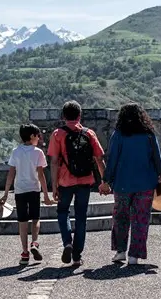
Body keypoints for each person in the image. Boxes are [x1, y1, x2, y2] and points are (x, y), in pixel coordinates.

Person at [99, 103, 161, 265]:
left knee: (121, 217)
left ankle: (120, 251)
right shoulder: (149, 135)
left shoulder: (119, 134)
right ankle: (135, 255)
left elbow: (112, 159)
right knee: (141, 219)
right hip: (146, 183)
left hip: (123, 184)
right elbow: (157, 157)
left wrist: (106, 180)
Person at [47, 100, 106, 266]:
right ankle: (77, 256)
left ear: (64, 116)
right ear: (80, 115)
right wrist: (105, 181)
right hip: (85, 180)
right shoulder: (89, 134)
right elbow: (99, 159)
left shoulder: (58, 134)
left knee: (62, 212)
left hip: (65, 181)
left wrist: (54, 186)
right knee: (81, 216)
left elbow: (53, 162)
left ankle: (67, 243)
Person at [0, 123, 53, 265]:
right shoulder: (38, 152)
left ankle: (24, 253)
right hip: (34, 189)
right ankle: (34, 243)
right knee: (35, 219)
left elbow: (11, 173)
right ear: (31, 136)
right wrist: (46, 195)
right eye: (37, 135)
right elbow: (41, 175)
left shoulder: (16, 152)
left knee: (22, 222)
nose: (39, 138)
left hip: (20, 190)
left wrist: (5, 193)